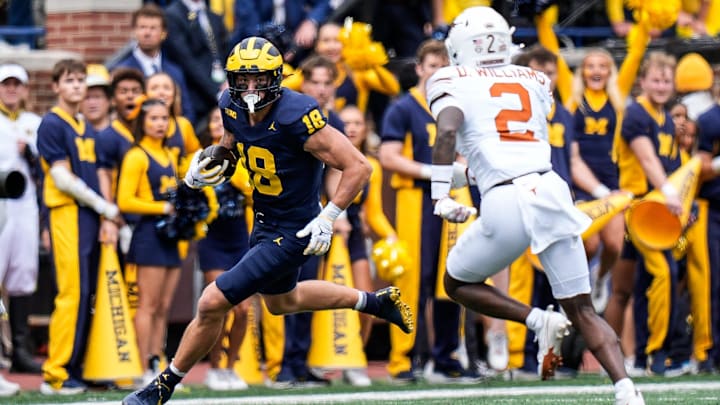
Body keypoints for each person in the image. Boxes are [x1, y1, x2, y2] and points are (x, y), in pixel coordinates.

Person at [122, 36, 413, 405]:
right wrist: (202, 169)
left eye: (259, 79)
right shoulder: (230, 105)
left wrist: (328, 216)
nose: (250, 87)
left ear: (275, 77)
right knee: (282, 302)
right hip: (263, 220)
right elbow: (230, 149)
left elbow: (359, 166)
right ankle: (375, 303)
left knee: (212, 301)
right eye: (242, 79)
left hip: (296, 228)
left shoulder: (296, 115)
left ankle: (161, 387)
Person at [427, 7, 644, 405]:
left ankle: (535, 319)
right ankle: (626, 390)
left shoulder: (449, 78)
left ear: (460, 46)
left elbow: (448, 129)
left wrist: (440, 193)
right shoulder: (533, 78)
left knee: (456, 284)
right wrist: (465, 174)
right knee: (582, 309)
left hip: (506, 198)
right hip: (550, 191)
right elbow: (506, 144)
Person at [379, 39, 475, 384]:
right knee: (412, 281)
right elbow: (388, 156)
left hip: (453, 194)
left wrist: (458, 169)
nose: (437, 73)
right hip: (415, 199)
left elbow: (468, 149)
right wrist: (433, 171)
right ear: (419, 68)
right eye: (432, 66)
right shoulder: (404, 106)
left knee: (453, 276)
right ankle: (403, 359)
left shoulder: (458, 105)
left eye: (443, 67)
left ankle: (446, 356)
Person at [38, 59, 119, 395]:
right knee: (71, 293)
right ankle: (55, 373)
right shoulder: (52, 123)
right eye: (69, 81)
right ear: (56, 86)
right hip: (67, 211)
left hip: (87, 214)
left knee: (87, 293)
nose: (76, 86)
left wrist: (103, 214)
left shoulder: (83, 124)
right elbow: (60, 176)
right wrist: (104, 207)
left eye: (80, 81)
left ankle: (76, 367)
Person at [116, 96, 182, 384]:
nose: (160, 123)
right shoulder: (136, 156)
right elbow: (125, 200)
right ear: (142, 122)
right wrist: (162, 208)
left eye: (164, 118)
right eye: (154, 118)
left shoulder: (169, 154)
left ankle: (157, 363)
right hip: (148, 237)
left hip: (170, 238)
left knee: (164, 307)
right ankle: (141, 367)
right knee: (148, 305)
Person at [197, 107, 252, 391]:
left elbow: (253, 192)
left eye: (224, 119)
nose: (219, 123)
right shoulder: (200, 157)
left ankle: (232, 367)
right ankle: (215, 368)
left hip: (239, 239)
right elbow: (192, 194)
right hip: (212, 241)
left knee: (243, 310)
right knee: (219, 306)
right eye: (214, 118)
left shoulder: (244, 156)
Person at [0, 63, 42, 376]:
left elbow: (45, 171)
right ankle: (3, 350)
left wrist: (29, 154)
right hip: (1, 206)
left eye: (17, 84)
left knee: (23, 275)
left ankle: (20, 347)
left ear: (25, 89)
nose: (11, 89)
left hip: (25, 207)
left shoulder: (34, 123)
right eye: (6, 84)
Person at [114, 3, 195, 123]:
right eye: (142, 27)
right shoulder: (122, 70)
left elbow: (187, 111)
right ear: (134, 31)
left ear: (164, 33)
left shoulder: (175, 71)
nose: (147, 33)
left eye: (153, 28)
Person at [163, 0, 227, 123]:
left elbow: (223, 51)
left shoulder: (212, 15)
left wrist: (227, 84)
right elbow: (186, 59)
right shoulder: (173, 15)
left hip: (220, 89)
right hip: (195, 97)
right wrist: (216, 91)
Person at [81, 64, 112, 132]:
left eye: (97, 97)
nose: (92, 103)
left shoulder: (122, 133)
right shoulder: (70, 133)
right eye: (86, 97)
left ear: (109, 100)